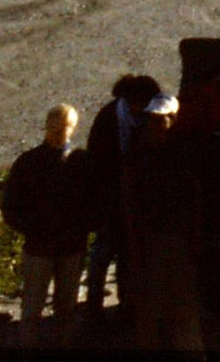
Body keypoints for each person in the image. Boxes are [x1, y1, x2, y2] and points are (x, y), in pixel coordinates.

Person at [122, 94, 203, 354]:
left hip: (176, 238)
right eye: (153, 119)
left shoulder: (184, 154)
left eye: (162, 119)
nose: (157, 124)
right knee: (150, 305)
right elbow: (129, 201)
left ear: (173, 119)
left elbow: (194, 200)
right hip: (149, 238)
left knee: (181, 306)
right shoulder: (139, 156)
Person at [4, 105, 88, 347]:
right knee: (31, 309)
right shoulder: (28, 162)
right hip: (39, 248)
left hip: (71, 246)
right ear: (46, 126)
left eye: (65, 127)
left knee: (66, 309)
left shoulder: (81, 161)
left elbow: (95, 200)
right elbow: (10, 206)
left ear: (73, 128)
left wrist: (82, 229)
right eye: (55, 126)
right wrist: (31, 229)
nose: (59, 131)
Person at [82, 74, 159, 324]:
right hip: (110, 199)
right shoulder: (109, 118)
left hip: (134, 199)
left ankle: (127, 305)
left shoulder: (133, 116)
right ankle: (94, 306)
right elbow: (96, 159)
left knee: (127, 255)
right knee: (103, 253)